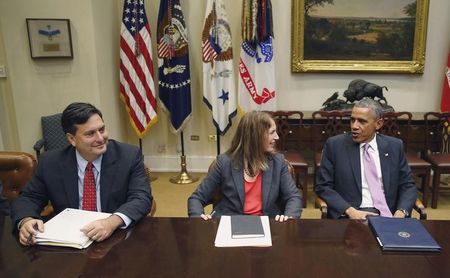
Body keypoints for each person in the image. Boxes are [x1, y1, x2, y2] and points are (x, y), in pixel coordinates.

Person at [11, 102, 152, 246]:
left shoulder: (128, 156)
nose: (100, 138)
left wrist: (111, 222)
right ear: (72, 139)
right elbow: (30, 197)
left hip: (115, 240)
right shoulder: (50, 162)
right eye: (90, 133)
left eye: (102, 130)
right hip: (68, 241)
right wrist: (26, 219)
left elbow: (141, 198)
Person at [188, 111, 302, 222]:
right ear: (256, 136)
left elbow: (293, 197)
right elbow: (196, 199)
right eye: (272, 132)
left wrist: (289, 217)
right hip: (231, 223)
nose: (277, 137)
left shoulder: (278, 162)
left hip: (267, 223)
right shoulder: (224, 162)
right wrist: (199, 218)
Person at [315, 97, 417, 219]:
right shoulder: (335, 146)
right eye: (352, 120)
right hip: (352, 216)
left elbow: (408, 185)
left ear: (378, 124)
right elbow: (323, 186)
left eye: (362, 121)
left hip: (389, 215)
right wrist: (350, 211)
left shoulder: (394, 146)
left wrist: (401, 211)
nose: (354, 126)